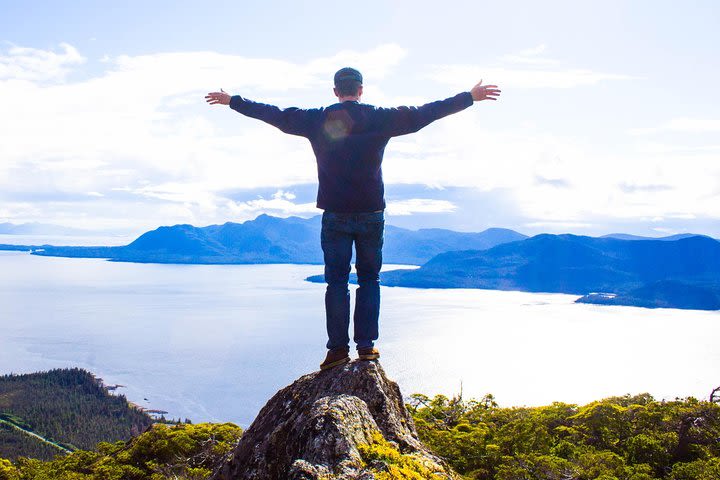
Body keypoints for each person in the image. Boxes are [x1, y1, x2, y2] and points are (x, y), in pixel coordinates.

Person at [206, 68, 500, 370]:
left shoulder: (317, 119)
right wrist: (469, 98)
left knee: (336, 282)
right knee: (369, 279)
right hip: (371, 213)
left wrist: (233, 101)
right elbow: (424, 113)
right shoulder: (380, 118)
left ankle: (337, 351)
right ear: (361, 90)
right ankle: (366, 347)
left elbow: (276, 114)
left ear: (335, 91)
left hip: (335, 214)